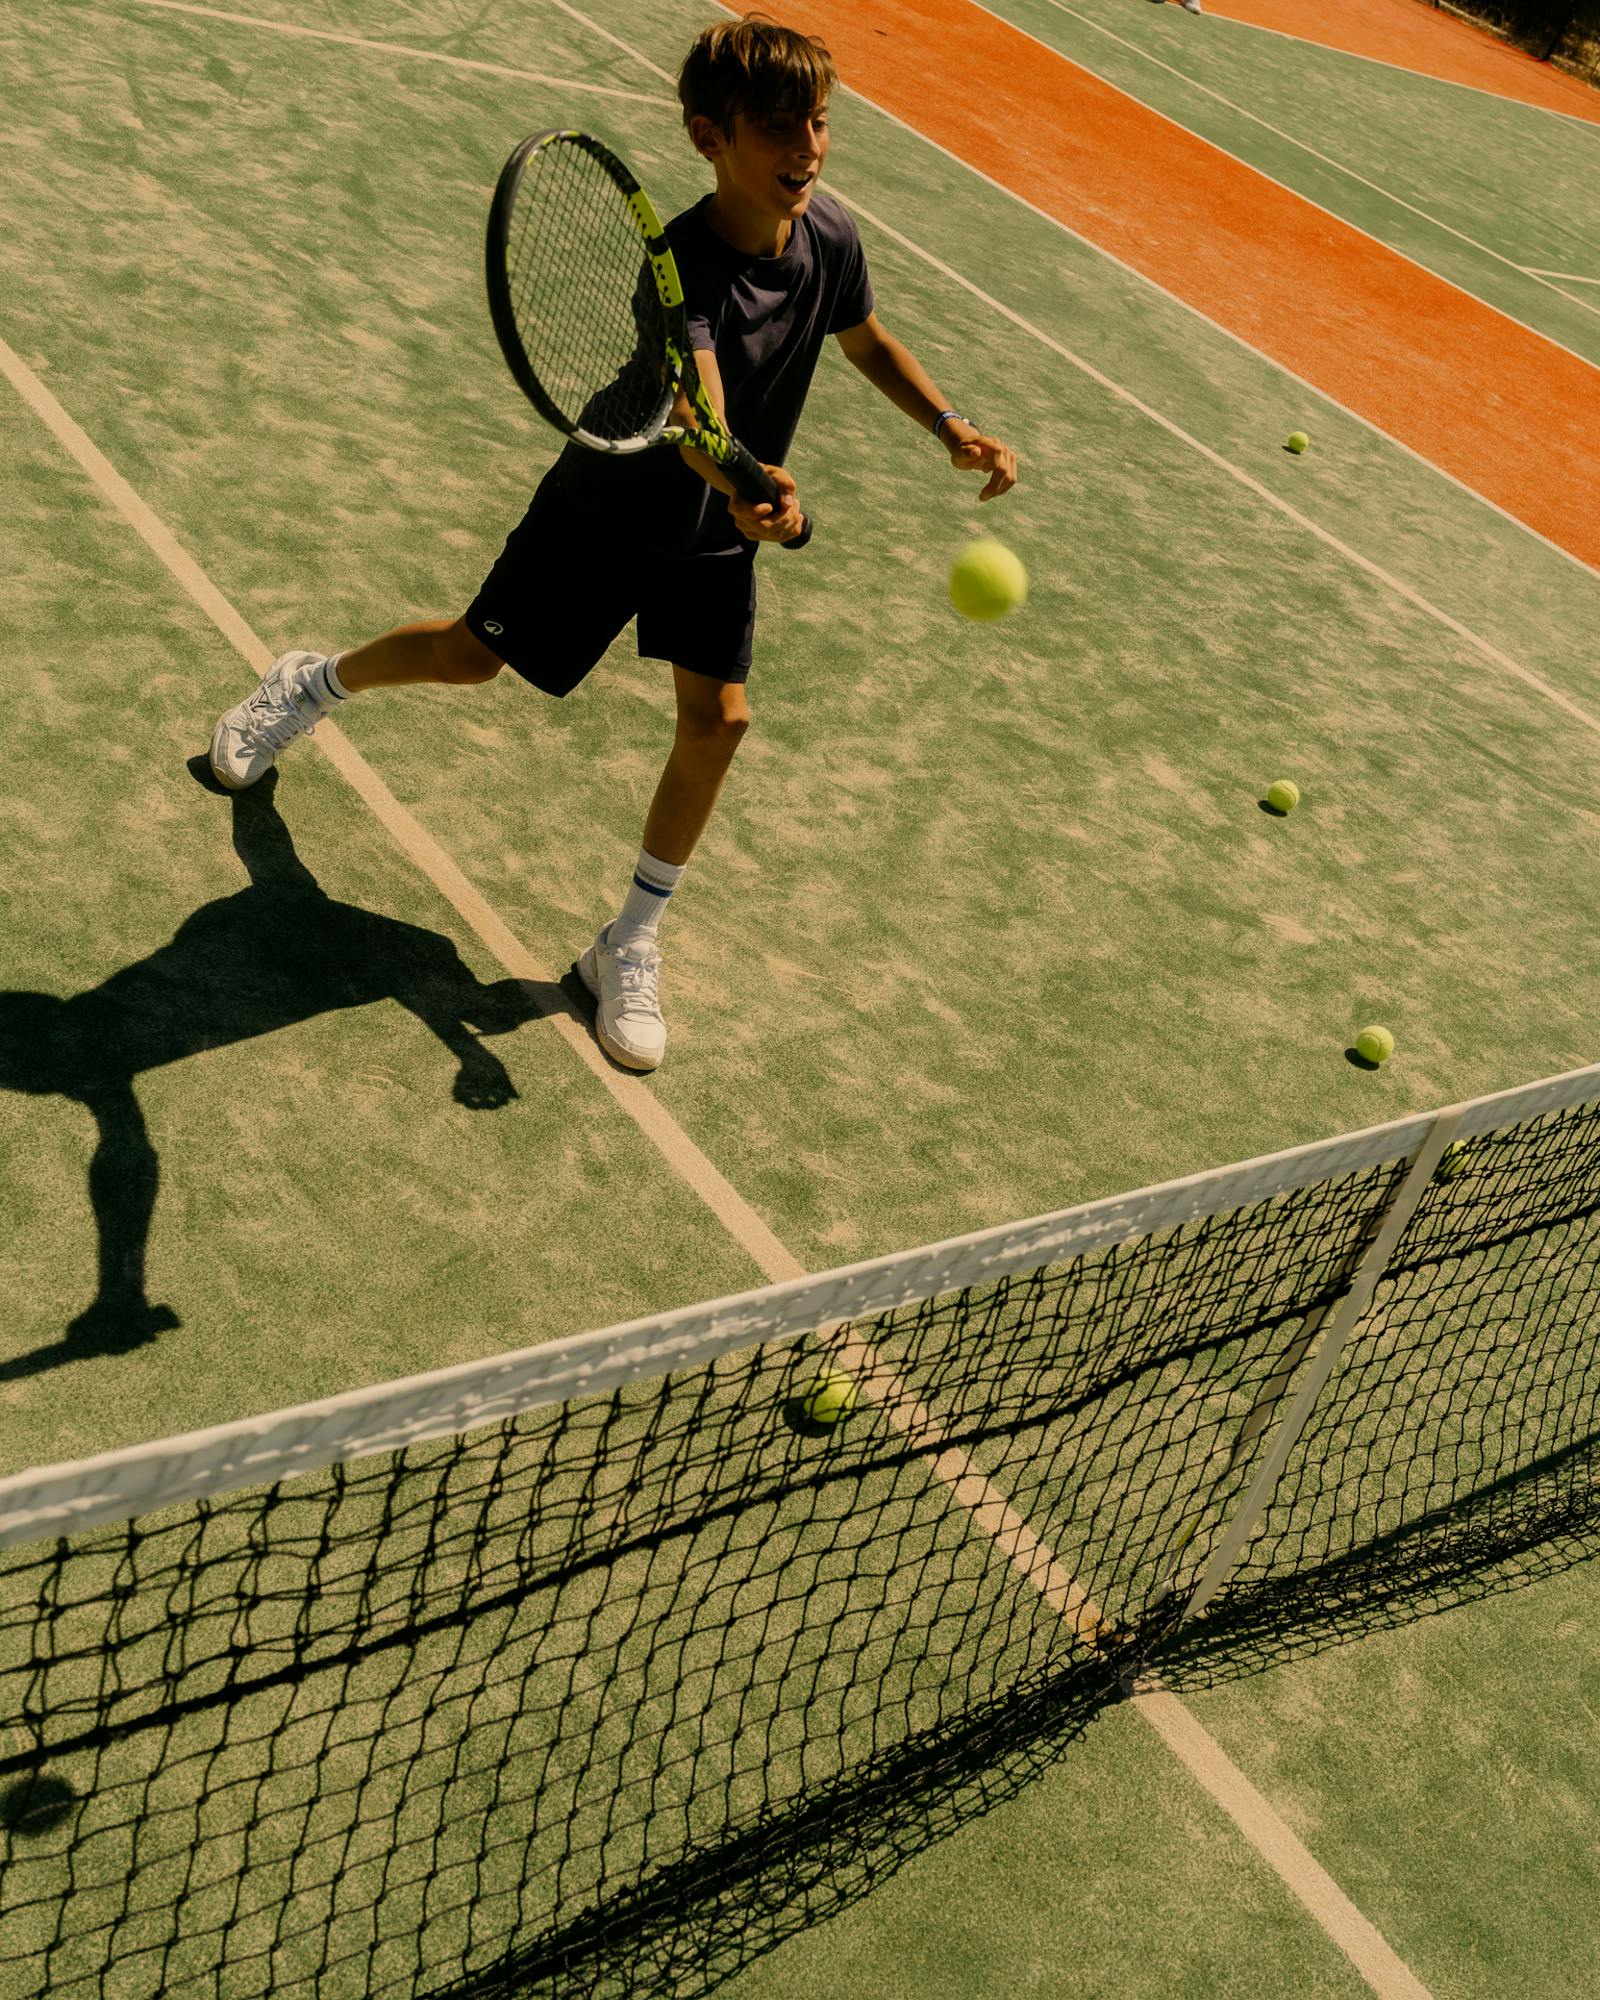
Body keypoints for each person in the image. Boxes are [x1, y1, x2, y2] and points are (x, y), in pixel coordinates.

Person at [209, 14, 1018, 1071]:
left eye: (818, 122)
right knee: (468, 656)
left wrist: (948, 424)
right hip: (609, 509)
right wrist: (757, 487)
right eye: (779, 128)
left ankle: (627, 939)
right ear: (709, 138)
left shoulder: (829, 234)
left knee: (718, 721)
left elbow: (863, 336)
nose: (808, 147)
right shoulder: (679, 264)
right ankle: (312, 683)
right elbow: (698, 414)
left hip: (716, 535)